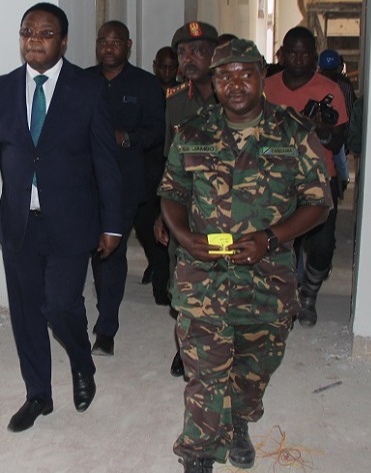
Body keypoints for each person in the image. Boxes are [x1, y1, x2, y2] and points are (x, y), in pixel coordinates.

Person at [159, 39, 332, 473]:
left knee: (255, 369)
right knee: (205, 373)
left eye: (245, 74)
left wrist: (271, 239)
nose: (235, 84)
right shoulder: (193, 131)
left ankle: (239, 420)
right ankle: (199, 451)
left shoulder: (293, 132)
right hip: (203, 276)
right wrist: (184, 236)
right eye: (224, 76)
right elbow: (173, 192)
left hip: (267, 277)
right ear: (214, 81)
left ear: (262, 77)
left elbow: (319, 202)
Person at [0, 2, 123, 433]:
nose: (34, 39)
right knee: (26, 313)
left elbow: (106, 163)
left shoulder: (88, 90)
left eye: (46, 33)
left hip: (71, 221)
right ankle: (38, 395)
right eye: (27, 32)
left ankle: (82, 360)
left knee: (59, 304)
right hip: (19, 224)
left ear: (63, 42)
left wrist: (112, 223)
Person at [85, 21, 165, 356]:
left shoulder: (146, 85)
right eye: (103, 41)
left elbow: (158, 131)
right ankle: (104, 307)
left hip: (126, 181)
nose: (108, 47)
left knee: (113, 251)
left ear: (128, 46)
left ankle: (106, 329)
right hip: (86, 182)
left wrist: (127, 137)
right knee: (95, 250)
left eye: (115, 41)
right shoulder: (82, 81)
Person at [263, 26, 348, 327]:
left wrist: (318, 129)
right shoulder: (266, 87)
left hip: (318, 178)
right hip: (275, 178)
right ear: (282, 54)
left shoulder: (329, 89)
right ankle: (286, 301)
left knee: (322, 246)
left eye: (304, 53)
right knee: (280, 243)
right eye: (292, 52)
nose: (298, 58)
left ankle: (309, 293)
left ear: (314, 56)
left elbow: (337, 142)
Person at [156, 21, 220, 378]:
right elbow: (170, 163)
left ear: (216, 55)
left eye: (198, 51)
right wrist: (162, 213)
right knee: (181, 278)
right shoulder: (176, 102)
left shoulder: (236, 97)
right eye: (182, 52)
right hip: (187, 209)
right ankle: (186, 346)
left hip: (230, 210)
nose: (188, 58)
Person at [134, 46, 176, 305]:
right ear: (154, 65)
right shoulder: (146, 89)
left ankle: (163, 279)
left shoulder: (184, 93)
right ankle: (155, 262)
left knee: (168, 222)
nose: (167, 72)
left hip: (174, 164)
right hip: (148, 164)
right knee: (144, 223)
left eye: (172, 67)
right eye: (162, 66)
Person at [318, 49, 357, 197]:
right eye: (325, 71)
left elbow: (349, 111)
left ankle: (340, 184)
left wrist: (345, 136)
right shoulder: (313, 85)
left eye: (331, 71)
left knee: (340, 162)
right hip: (318, 134)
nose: (328, 74)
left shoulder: (344, 87)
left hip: (337, 133)